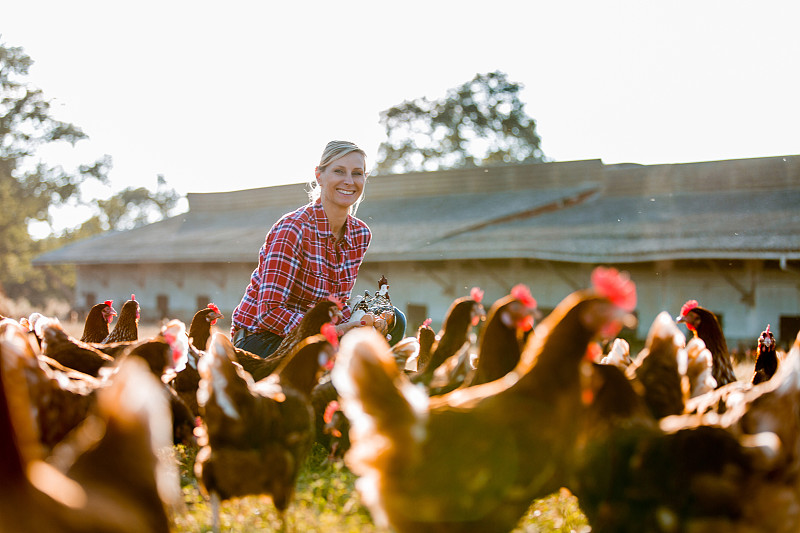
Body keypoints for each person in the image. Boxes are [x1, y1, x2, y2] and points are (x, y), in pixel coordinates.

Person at [230, 140, 406, 357]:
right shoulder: (293, 229)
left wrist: (363, 324)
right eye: (339, 171)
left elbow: (336, 305)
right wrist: (336, 332)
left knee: (394, 318)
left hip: (315, 337)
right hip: (263, 341)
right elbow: (269, 313)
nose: (349, 181)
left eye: (357, 173)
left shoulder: (360, 234)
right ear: (319, 175)